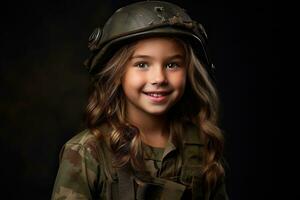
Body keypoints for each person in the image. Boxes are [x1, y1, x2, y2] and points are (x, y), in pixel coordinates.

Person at [51, 1, 229, 199]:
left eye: (172, 65)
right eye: (142, 64)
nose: (159, 78)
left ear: (188, 71)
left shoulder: (201, 147)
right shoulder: (87, 152)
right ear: (118, 72)